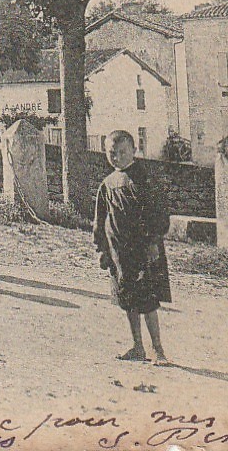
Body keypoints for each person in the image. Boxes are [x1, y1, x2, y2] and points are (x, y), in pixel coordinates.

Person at [94, 129, 172, 365]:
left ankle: (157, 349)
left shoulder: (145, 179)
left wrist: (152, 241)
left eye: (122, 152)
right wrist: (102, 249)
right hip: (119, 252)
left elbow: (159, 214)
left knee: (147, 301)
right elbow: (100, 219)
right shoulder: (107, 185)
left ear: (134, 151)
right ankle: (137, 346)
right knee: (127, 299)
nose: (116, 157)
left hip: (143, 250)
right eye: (111, 153)